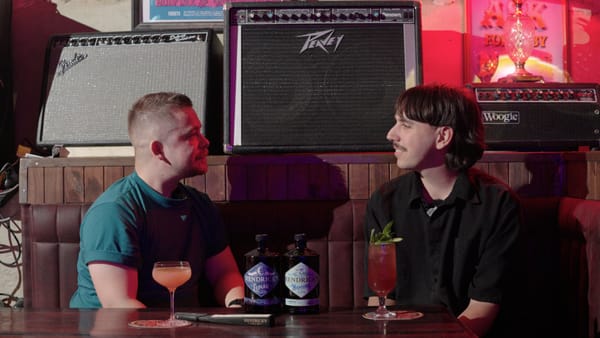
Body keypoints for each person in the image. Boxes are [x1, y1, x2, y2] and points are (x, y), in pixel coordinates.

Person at [363, 84, 520, 337]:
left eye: (405, 124)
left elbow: (483, 305)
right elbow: (381, 299)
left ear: (443, 137)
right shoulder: (384, 201)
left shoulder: (498, 205)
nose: (391, 134)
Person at [70, 92, 244, 309]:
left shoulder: (200, 205)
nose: (205, 142)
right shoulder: (114, 212)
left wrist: (238, 308)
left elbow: (224, 274)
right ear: (158, 150)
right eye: (192, 134)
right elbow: (121, 306)